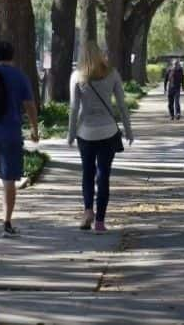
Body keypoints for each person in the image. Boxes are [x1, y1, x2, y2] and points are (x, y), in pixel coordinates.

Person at [68, 41, 134, 233]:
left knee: (87, 172)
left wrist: (71, 134)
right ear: (100, 54)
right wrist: (129, 130)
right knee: (103, 174)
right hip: (108, 131)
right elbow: (121, 105)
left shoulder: (77, 77)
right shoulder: (112, 74)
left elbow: (74, 110)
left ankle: (88, 210)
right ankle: (100, 222)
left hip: (85, 133)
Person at [0, 41, 39, 237]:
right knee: (9, 180)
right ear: (12, 56)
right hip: (11, 133)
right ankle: (7, 223)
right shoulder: (19, 76)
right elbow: (29, 105)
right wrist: (34, 128)